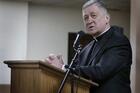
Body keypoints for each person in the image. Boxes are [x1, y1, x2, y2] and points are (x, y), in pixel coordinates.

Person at [45, 0, 132, 93]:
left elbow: (101, 71)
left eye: (93, 15)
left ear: (107, 18)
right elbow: (78, 71)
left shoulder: (118, 40)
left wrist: (63, 67)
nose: (89, 20)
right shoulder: (86, 48)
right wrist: (62, 68)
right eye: (85, 18)